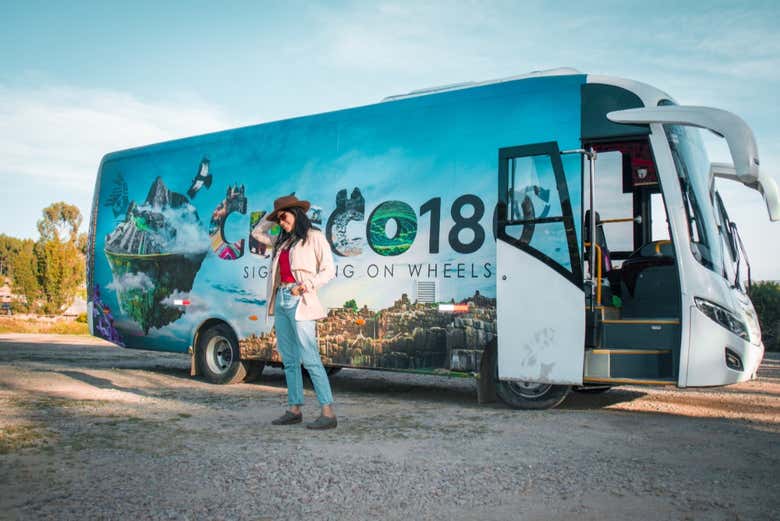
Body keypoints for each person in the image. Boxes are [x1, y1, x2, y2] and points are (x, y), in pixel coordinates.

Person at [251, 195, 338, 429]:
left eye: (284, 216)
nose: (281, 222)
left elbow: (330, 270)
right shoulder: (281, 241)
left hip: (301, 299)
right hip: (280, 299)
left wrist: (307, 285)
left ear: (297, 214)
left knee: (310, 359)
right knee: (289, 360)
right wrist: (272, 218)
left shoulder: (314, 237)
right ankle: (294, 408)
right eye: (278, 219)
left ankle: (328, 412)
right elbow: (257, 234)